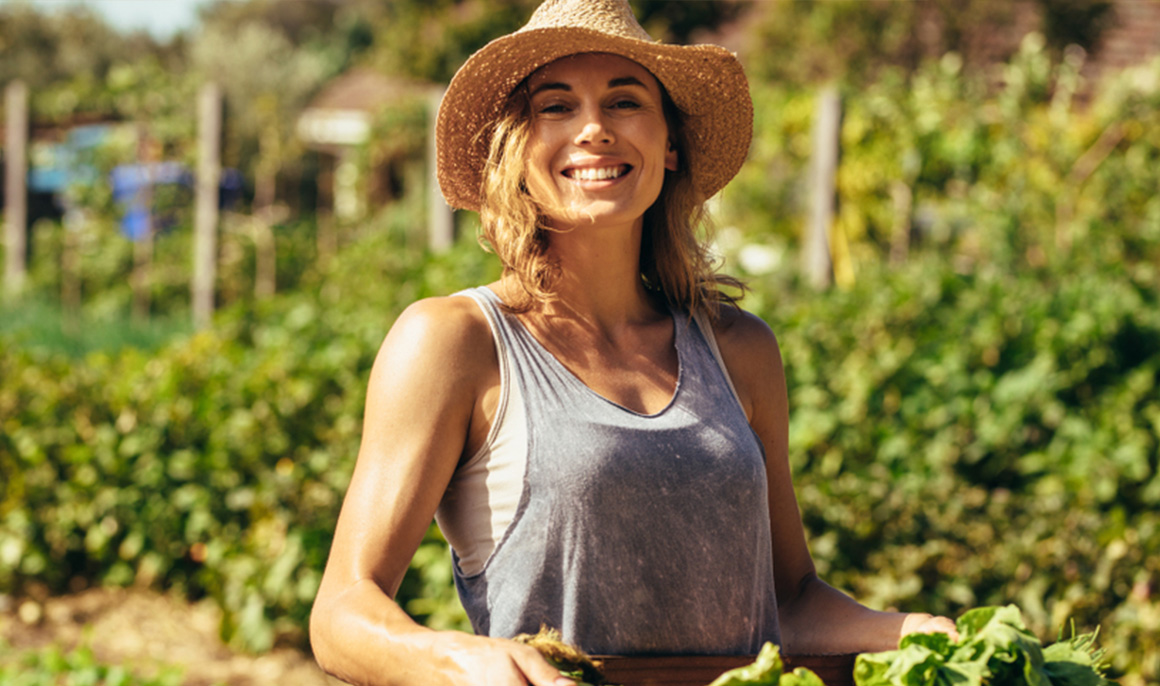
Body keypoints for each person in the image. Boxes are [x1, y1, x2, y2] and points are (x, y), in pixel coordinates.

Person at [309, 1, 957, 684]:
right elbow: (341, 615)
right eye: (555, 107)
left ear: (669, 143)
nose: (593, 130)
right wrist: (455, 658)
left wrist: (911, 632)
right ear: (517, 151)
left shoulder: (739, 349)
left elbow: (789, 601)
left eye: (625, 102)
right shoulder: (457, 343)